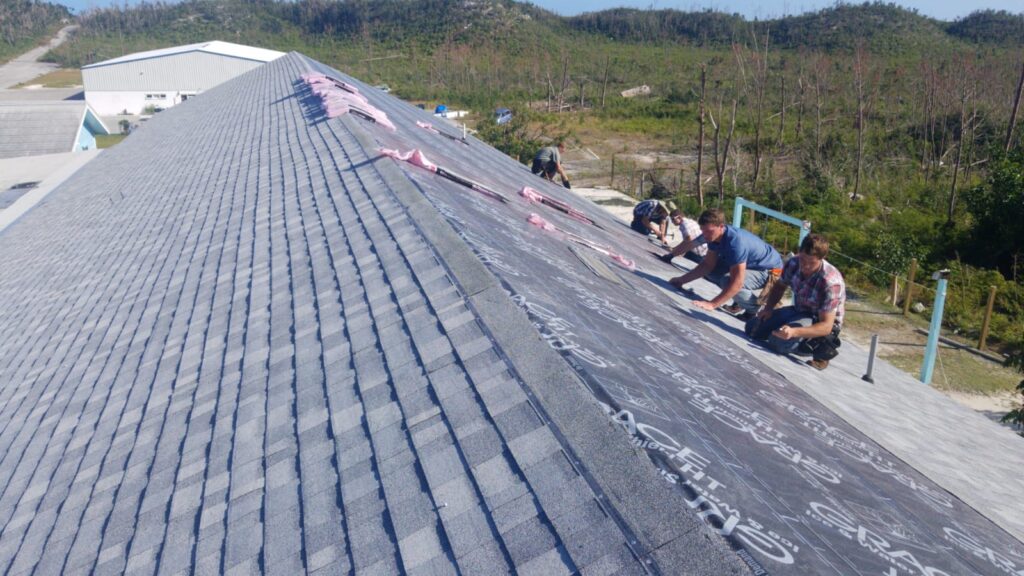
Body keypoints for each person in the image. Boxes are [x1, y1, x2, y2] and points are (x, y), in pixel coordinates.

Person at [745, 234, 846, 370]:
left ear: (822, 259)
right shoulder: (793, 263)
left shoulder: (830, 282)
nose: (805, 266)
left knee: (779, 344)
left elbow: (826, 326)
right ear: (800, 252)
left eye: (812, 263)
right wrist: (768, 308)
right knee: (751, 328)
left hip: (818, 321)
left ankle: (817, 349)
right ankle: (784, 333)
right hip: (798, 310)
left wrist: (794, 332)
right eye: (803, 260)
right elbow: (780, 286)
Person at [668, 208, 783, 317]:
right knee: (712, 271)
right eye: (702, 230)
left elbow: (737, 282)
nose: (705, 235)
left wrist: (712, 304)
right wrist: (680, 281)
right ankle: (739, 300)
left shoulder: (735, 244)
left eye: (709, 231)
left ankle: (754, 309)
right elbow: (707, 265)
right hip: (753, 265)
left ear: (721, 227)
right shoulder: (714, 237)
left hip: (770, 271)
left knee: (728, 281)